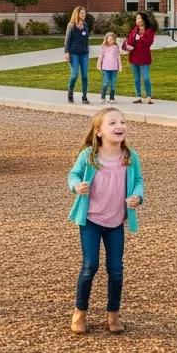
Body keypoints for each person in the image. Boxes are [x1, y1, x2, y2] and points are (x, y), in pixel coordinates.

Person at [67, 107, 145, 335]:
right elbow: (73, 175)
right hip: (91, 220)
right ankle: (79, 312)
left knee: (116, 269)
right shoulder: (88, 157)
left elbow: (139, 180)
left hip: (115, 222)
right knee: (90, 265)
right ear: (99, 131)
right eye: (112, 123)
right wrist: (76, 186)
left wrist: (137, 196)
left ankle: (113, 313)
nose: (119, 125)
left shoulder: (130, 157)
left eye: (122, 121)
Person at [122, 11, 156, 103]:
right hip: (134, 58)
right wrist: (126, 46)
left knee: (145, 78)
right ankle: (138, 96)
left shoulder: (149, 31)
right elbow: (127, 41)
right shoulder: (134, 30)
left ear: (144, 20)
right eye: (136, 19)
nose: (138, 20)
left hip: (144, 58)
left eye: (139, 18)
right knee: (136, 78)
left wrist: (138, 40)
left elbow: (148, 42)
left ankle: (148, 96)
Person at [63, 6, 91, 104]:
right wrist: (66, 52)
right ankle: (70, 92)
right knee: (74, 75)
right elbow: (67, 40)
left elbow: (86, 39)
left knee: (85, 76)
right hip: (74, 54)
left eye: (84, 13)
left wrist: (87, 49)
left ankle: (84, 96)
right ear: (77, 14)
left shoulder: (86, 25)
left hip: (84, 54)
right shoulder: (71, 25)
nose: (84, 15)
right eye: (82, 13)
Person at [96, 31, 122, 101]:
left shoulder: (115, 47)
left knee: (113, 84)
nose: (111, 41)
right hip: (105, 69)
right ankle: (103, 97)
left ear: (114, 40)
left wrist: (120, 66)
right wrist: (98, 65)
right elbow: (100, 57)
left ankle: (112, 98)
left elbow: (118, 57)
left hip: (114, 69)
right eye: (109, 39)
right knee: (106, 82)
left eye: (112, 40)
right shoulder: (104, 47)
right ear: (106, 39)